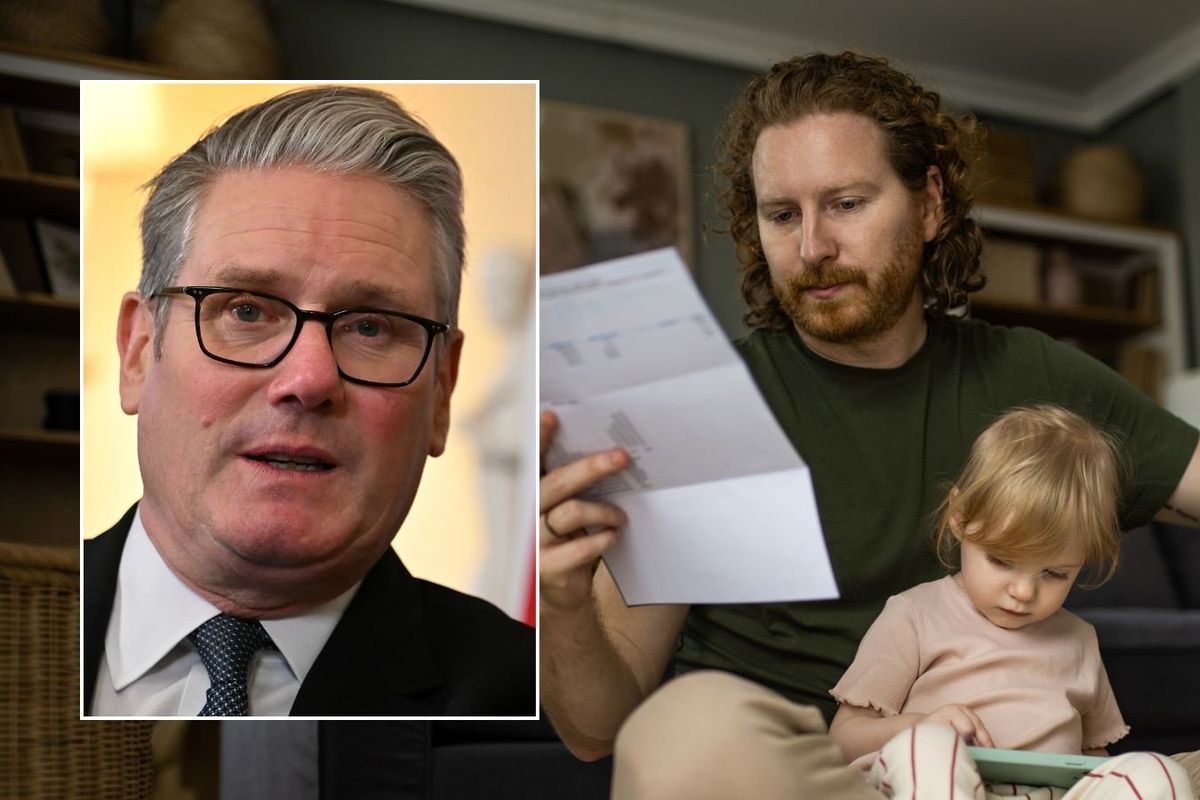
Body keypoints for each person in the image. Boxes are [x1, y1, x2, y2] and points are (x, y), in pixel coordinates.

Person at [538, 51, 1200, 798]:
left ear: (929, 205)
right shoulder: (699, 404)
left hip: (1020, 778)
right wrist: (563, 602)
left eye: (846, 203)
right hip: (823, 777)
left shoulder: (1036, 376)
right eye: (782, 215)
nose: (812, 247)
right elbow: (596, 730)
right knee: (685, 725)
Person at [84, 85, 534, 717]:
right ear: (138, 349)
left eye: (371, 327)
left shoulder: (539, 707)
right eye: (245, 310)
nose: (309, 377)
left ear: (442, 390)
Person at [828, 404, 1195, 800]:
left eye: (1054, 574)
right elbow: (843, 738)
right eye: (1002, 561)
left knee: (1157, 772)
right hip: (937, 783)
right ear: (961, 516)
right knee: (926, 747)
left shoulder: (1079, 640)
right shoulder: (913, 614)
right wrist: (921, 724)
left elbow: (1094, 758)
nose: (1023, 592)